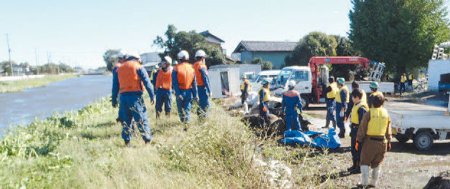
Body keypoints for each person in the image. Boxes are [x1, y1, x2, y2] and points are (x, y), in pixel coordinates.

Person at [112, 53, 155, 147]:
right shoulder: (138, 67)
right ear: (137, 59)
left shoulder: (119, 68)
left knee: (126, 120)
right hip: (135, 97)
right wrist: (152, 95)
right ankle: (147, 140)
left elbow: (115, 85)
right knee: (141, 119)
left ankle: (127, 142)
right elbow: (147, 82)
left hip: (123, 98)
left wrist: (114, 99)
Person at [357, 94, 391, 188]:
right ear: (383, 102)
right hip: (382, 142)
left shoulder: (369, 113)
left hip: (370, 141)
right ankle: (373, 183)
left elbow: (362, 127)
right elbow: (388, 128)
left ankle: (364, 183)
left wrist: (359, 139)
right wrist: (389, 140)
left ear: (372, 102)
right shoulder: (386, 113)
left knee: (365, 161)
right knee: (377, 163)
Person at [172, 50, 198, 125]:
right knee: (187, 108)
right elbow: (194, 83)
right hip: (189, 91)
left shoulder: (176, 68)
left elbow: (174, 82)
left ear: (179, 58)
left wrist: (177, 93)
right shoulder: (191, 68)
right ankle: (187, 122)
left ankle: (183, 121)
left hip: (180, 90)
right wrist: (195, 94)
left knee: (180, 109)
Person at [348, 89, 368, 174]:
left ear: (356, 97)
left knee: (358, 149)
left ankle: (358, 167)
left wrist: (360, 135)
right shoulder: (356, 105)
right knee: (353, 148)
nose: (352, 99)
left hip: (358, 130)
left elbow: (362, 123)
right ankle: (354, 165)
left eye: (352, 97)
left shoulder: (361, 108)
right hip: (354, 129)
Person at [193, 50, 212, 120]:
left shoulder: (193, 66)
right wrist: (209, 90)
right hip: (202, 88)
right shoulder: (202, 66)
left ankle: (199, 119)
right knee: (207, 106)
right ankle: (205, 119)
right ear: (203, 58)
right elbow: (205, 79)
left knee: (200, 105)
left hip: (195, 88)